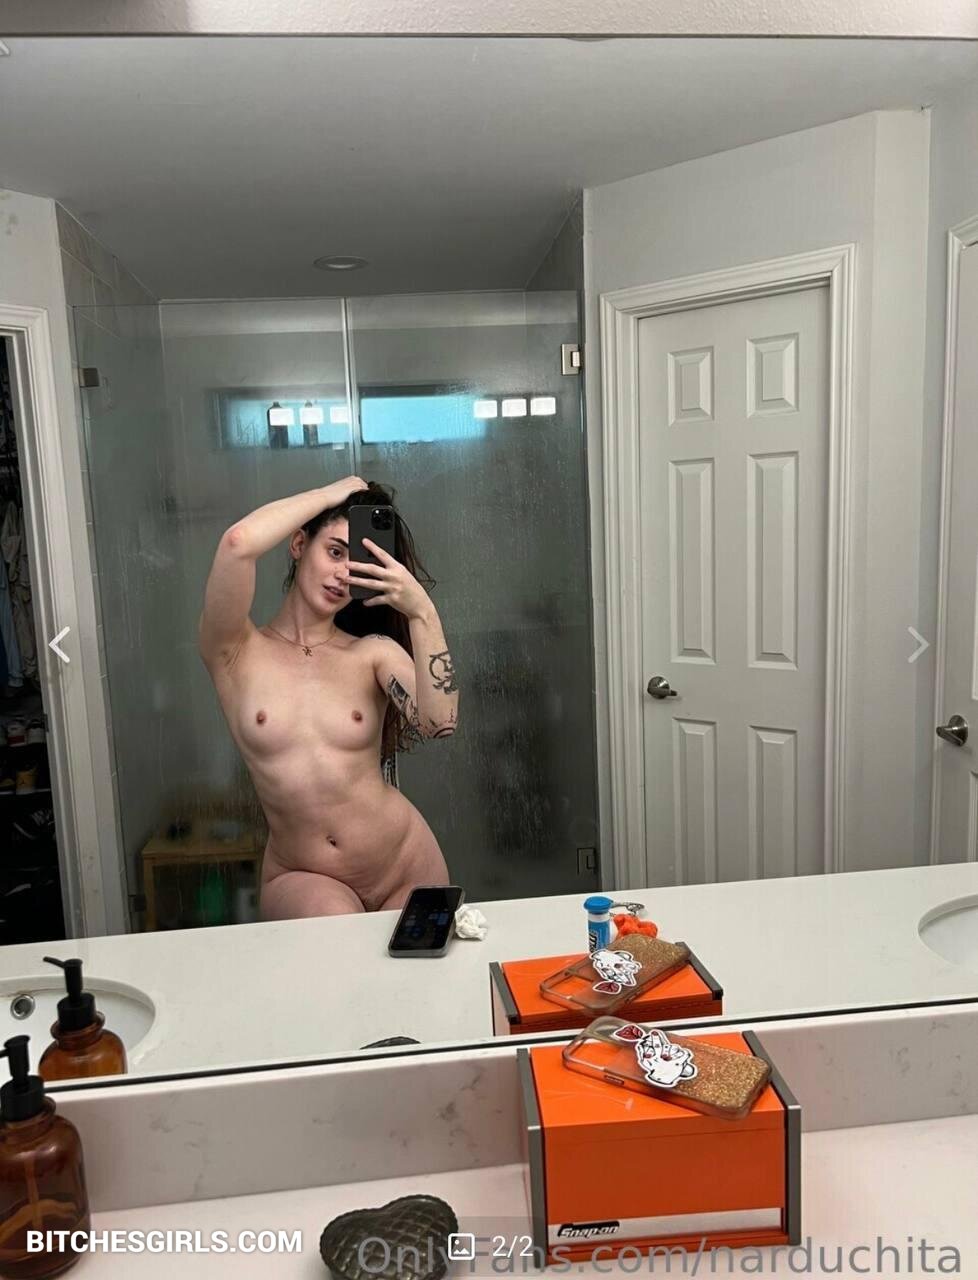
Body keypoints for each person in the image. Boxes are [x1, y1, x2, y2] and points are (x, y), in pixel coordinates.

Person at [198, 476, 457, 919]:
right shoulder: (235, 650)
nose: (342, 574)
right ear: (299, 544)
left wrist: (422, 611)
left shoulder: (371, 653)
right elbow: (238, 543)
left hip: (407, 863)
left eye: (356, 564)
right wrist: (328, 496)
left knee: (423, 967)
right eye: (335, 552)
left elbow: (440, 722)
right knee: (342, 945)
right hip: (305, 875)